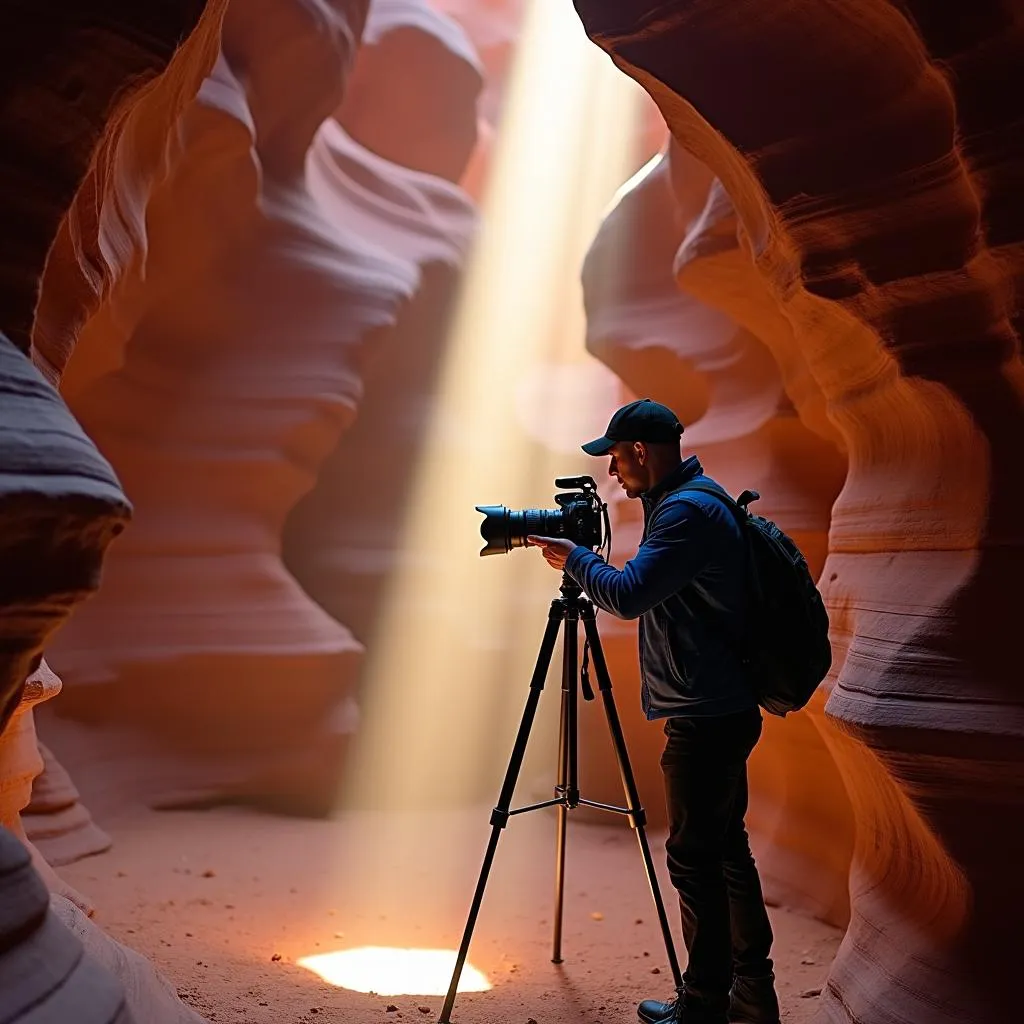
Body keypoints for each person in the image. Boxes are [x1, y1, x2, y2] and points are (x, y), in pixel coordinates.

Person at [527, 398, 780, 1024]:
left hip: (707, 712)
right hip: (719, 705)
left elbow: (629, 594)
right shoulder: (691, 502)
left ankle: (704, 1005)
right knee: (724, 851)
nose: (612, 472)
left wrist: (575, 558)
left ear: (640, 451)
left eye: (615, 457)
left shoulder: (686, 515)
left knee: (696, 857)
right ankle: (750, 998)